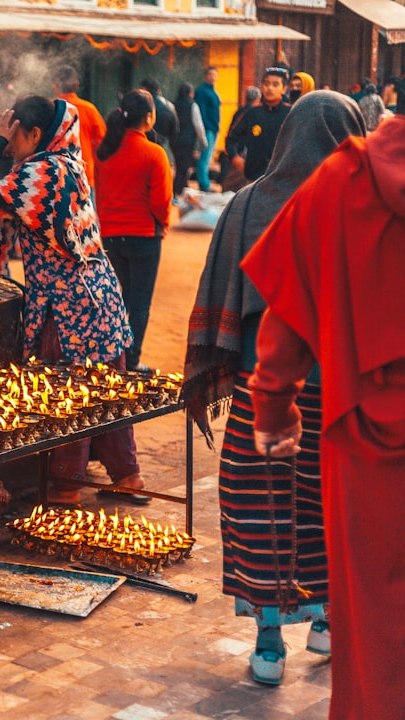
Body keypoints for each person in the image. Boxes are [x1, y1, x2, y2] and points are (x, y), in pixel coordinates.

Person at [184, 91, 364, 687]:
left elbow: (220, 290)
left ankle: (268, 642)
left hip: (262, 391)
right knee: (326, 508)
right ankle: (327, 621)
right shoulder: (357, 209)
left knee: (260, 504)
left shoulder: (245, 203)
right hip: (334, 394)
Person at [241, 97, 405, 720]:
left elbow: (286, 317)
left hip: (364, 436)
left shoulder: (341, 180)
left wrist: (274, 407)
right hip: (358, 436)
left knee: (372, 615)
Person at [0, 96, 148, 506]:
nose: (9, 147)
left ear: (34, 134)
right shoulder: (69, 163)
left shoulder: (42, 172)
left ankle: (66, 485)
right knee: (107, 386)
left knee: (68, 391)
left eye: (13, 137)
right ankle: (127, 475)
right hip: (100, 294)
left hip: (66, 305)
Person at [96, 89, 172, 373]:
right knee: (139, 303)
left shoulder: (105, 152)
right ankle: (131, 359)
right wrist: (162, 225)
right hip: (144, 237)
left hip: (112, 236)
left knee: (119, 299)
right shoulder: (154, 153)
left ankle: (115, 356)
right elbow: (161, 202)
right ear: (149, 118)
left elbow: (100, 195)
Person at [226, 67, 291, 182]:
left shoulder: (290, 113)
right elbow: (230, 139)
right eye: (266, 84)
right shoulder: (252, 112)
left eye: (275, 85)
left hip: (281, 178)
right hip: (253, 178)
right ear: (262, 86)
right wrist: (235, 159)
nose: (270, 88)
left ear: (284, 89)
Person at [51, 64, 107, 191]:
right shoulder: (89, 109)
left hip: (53, 177)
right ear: (76, 85)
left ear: (54, 86)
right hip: (84, 176)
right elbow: (103, 145)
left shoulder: (50, 109)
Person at [172, 82, 208, 199]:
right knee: (184, 167)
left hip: (175, 141)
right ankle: (176, 190)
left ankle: (182, 189)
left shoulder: (174, 105)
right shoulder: (193, 105)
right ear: (190, 93)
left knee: (179, 166)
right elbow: (198, 125)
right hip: (188, 141)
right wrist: (204, 142)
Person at [193, 66, 222, 192]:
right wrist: (204, 129)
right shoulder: (201, 91)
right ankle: (204, 184)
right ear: (205, 76)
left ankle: (205, 182)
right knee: (204, 157)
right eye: (210, 74)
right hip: (207, 129)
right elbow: (201, 112)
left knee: (208, 157)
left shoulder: (214, 92)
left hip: (214, 128)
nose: (213, 77)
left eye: (215, 75)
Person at [141, 78, 179, 152]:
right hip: (161, 147)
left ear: (144, 89)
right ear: (158, 90)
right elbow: (175, 131)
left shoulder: (142, 103)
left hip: (143, 146)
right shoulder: (170, 106)